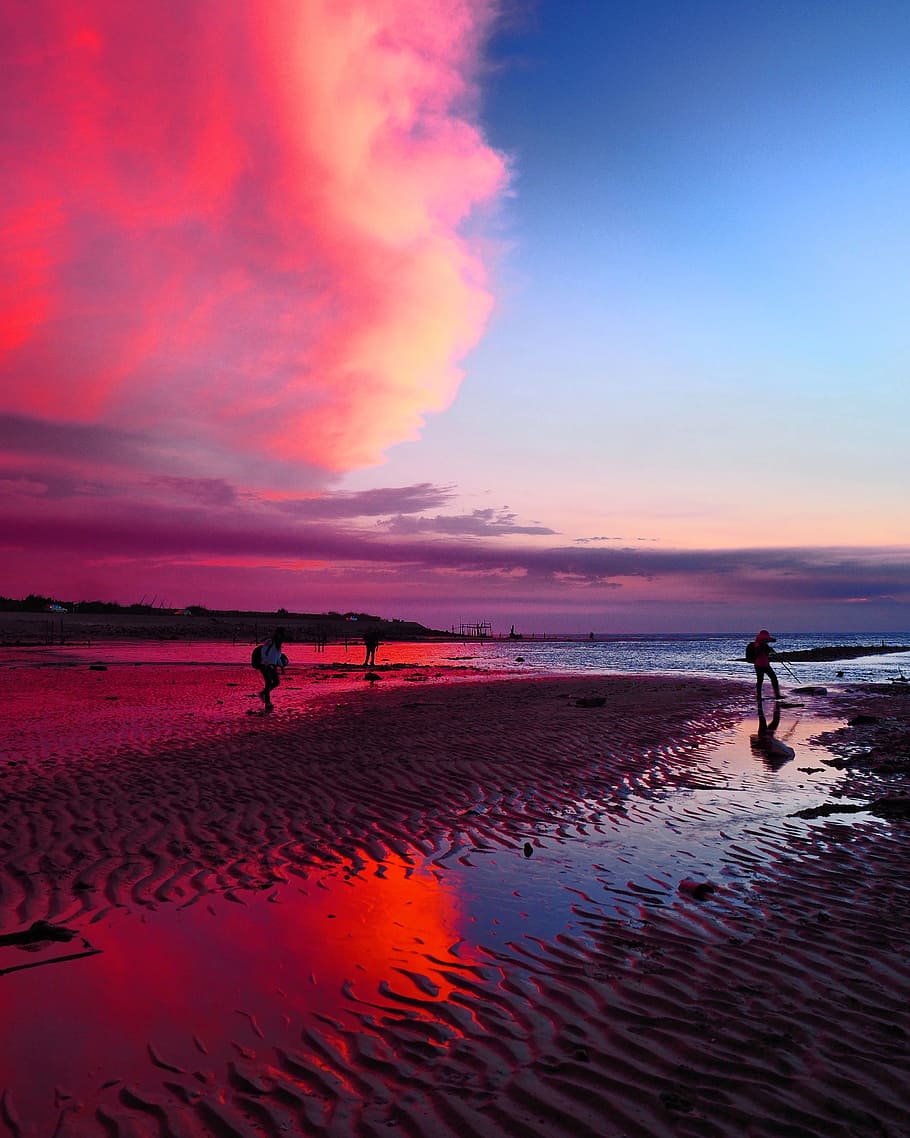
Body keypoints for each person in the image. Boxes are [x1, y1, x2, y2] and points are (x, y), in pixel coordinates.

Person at [254, 627, 288, 712]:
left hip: (273, 666)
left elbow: (277, 657)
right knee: (268, 682)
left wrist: (281, 667)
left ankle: (263, 693)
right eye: (279, 634)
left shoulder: (278, 645)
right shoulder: (270, 642)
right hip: (265, 665)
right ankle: (267, 702)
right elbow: (263, 652)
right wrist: (265, 663)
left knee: (276, 682)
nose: (280, 637)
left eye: (282, 635)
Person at [751, 628, 781, 703]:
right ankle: (759, 696)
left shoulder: (763, 643)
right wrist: (764, 647)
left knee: (773, 678)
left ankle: (777, 694)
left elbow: (774, 640)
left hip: (765, 664)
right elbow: (758, 653)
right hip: (759, 665)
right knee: (760, 680)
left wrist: (766, 644)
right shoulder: (757, 644)